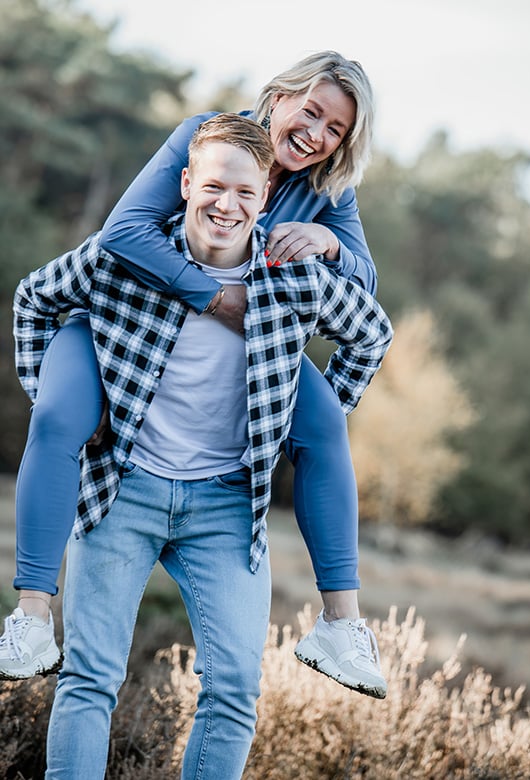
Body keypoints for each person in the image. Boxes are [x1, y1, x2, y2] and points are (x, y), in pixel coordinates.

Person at [13, 114, 392, 779]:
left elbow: (372, 334)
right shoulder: (124, 256)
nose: (228, 204)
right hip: (120, 492)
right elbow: (33, 298)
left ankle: (343, 626)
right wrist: (62, 399)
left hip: (224, 509)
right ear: (186, 183)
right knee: (90, 680)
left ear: (266, 200)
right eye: (215, 186)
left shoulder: (293, 276)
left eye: (247, 194)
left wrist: (294, 416)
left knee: (235, 693)